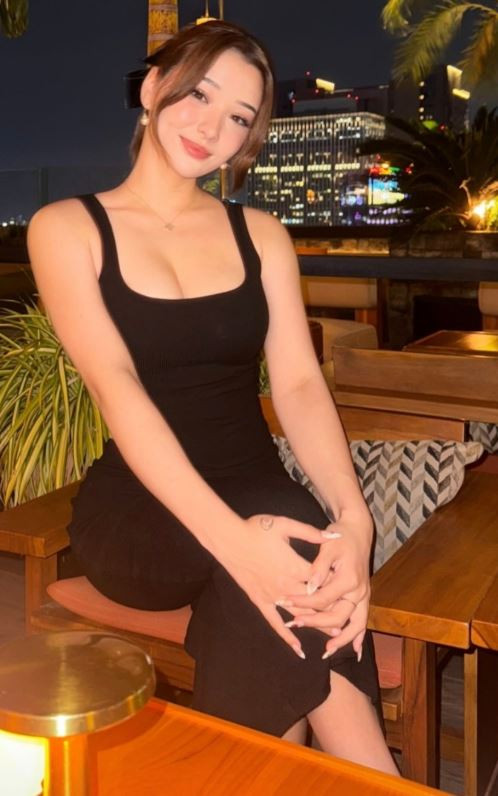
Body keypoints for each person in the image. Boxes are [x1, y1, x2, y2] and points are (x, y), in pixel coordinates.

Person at [28, 20, 398, 774]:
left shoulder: (260, 234)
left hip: (257, 485)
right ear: (152, 88)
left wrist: (354, 521)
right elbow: (116, 386)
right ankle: (378, 780)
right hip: (140, 508)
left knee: (277, 560)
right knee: (275, 553)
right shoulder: (67, 228)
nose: (211, 127)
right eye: (199, 94)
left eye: (238, 116)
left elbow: (299, 382)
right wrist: (236, 540)